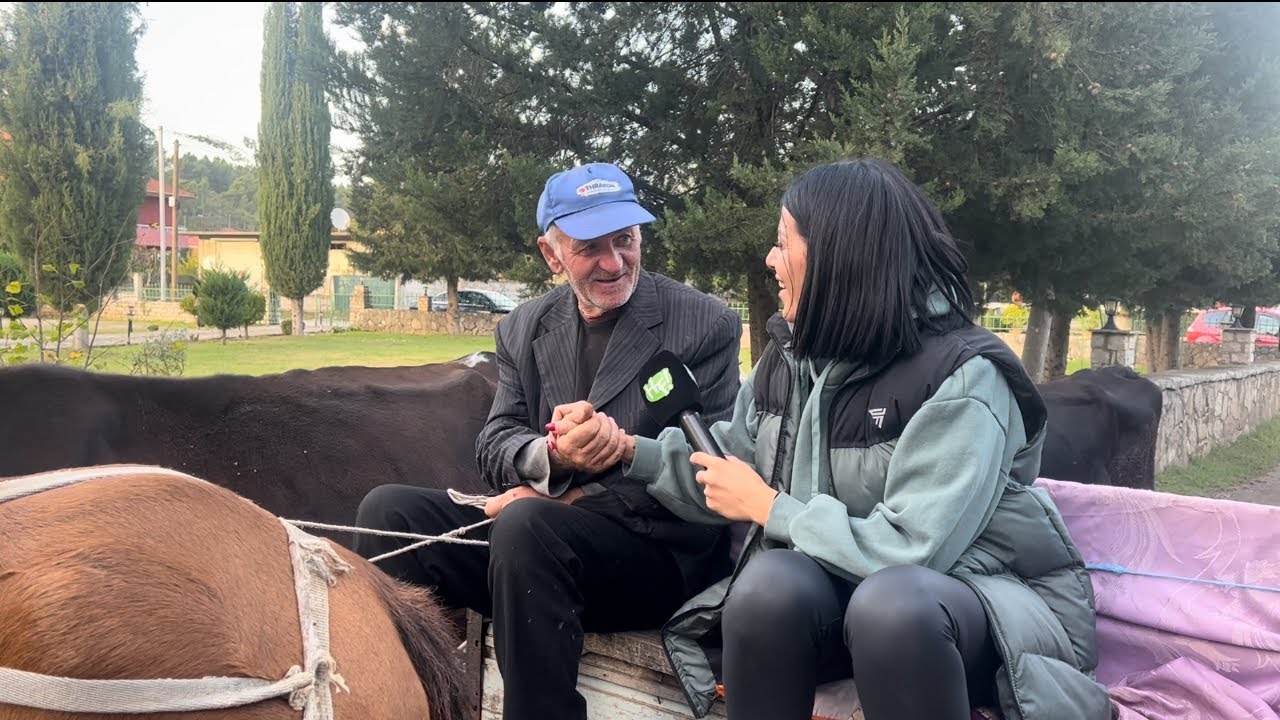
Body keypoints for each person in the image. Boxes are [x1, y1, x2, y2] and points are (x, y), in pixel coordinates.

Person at [598, 158, 1110, 720]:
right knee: (771, 583)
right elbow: (733, 467)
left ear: (841, 256)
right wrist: (624, 449)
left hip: (982, 611)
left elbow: (916, 550)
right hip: (853, 606)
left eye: (782, 242)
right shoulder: (792, 358)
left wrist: (770, 508)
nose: (769, 260)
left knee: (892, 605)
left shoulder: (965, 376)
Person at [352, 161, 743, 720]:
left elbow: (714, 473)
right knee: (388, 512)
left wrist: (571, 493)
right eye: (591, 247)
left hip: (656, 559)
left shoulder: (703, 324)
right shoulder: (525, 327)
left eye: (626, 239)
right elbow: (496, 441)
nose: (615, 261)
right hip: (534, 552)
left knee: (526, 525)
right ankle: (410, 704)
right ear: (551, 253)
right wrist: (552, 456)